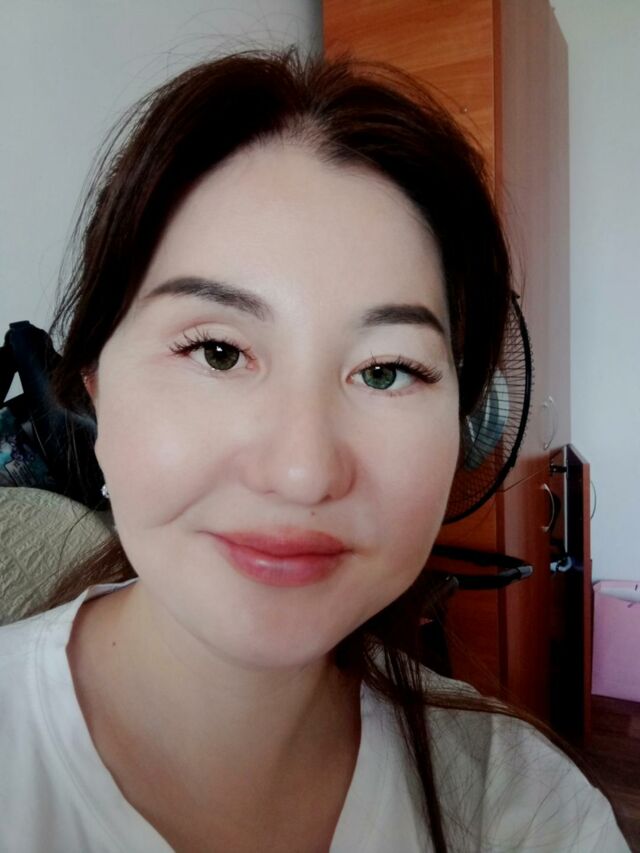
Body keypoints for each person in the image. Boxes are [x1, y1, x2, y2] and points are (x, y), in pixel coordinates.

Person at [0, 46, 630, 853]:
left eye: (385, 370)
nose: (303, 472)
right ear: (94, 389)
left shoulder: (528, 813)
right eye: (218, 352)